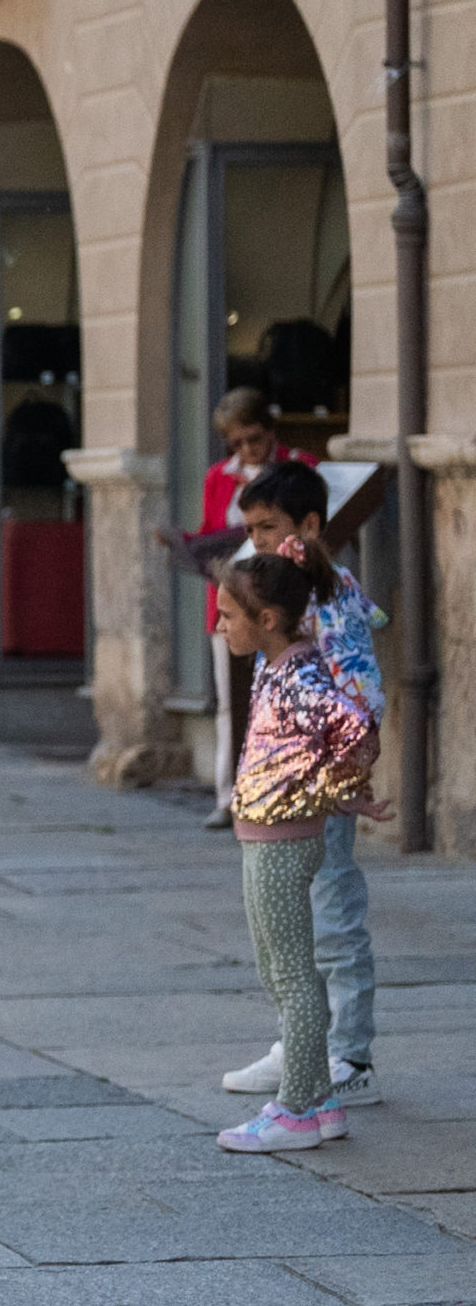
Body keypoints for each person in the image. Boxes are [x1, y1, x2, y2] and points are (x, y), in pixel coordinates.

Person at [220, 461, 384, 1112]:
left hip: (322, 787)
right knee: (291, 926)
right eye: (250, 528)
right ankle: (302, 1045)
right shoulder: (281, 587)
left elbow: (357, 694)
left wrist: (343, 773)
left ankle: (349, 1054)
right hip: (290, 790)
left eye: (267, 527)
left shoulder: (327, 593)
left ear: (309, 525)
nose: (255, 540)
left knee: (332, 909)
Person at [160, 387, 313, 829]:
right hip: (231, 604)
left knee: (287, 700)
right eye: (238, 442)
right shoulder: (218, 477)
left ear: (271, 431)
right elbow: (211, 532)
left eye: (255, 439)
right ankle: (229, 796)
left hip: (283, 601)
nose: (247, 450)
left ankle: (284, 789)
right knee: (232, 702)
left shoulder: (296, 469)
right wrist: (190, 546)